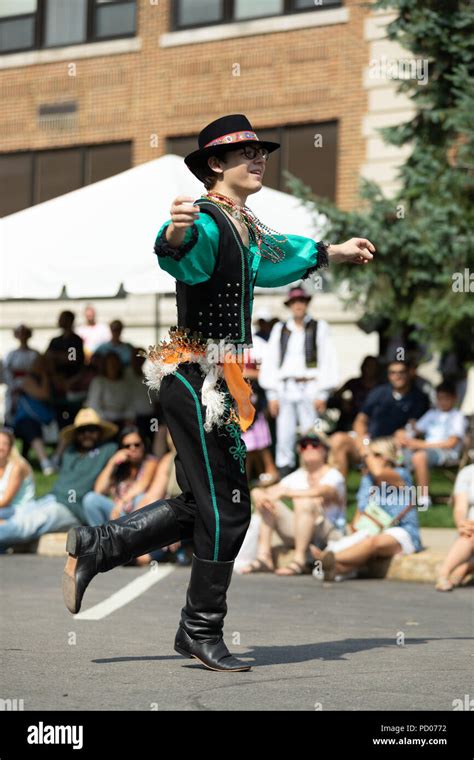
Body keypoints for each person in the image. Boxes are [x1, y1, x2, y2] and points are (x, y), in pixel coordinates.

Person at [61, 113, 375, 672]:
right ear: (215, 165)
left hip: (218, 380)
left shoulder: (245, 223)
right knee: (229, 511)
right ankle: (200, 628)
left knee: (203, 503)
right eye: (245, 153)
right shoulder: (207, 219)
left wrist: (333, 252)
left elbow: (276, 259)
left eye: (262, 153)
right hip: (194, 377)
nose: (259, 160)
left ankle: (99, 546)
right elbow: (183, 252)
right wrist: (175, 232)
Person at [0, 409, 117, 551]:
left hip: (72, 508)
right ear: (76, 434)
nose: (87, 434)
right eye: (82, 430)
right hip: (51, 498)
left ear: (100, 432)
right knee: (18, 512)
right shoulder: (70, 452)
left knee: (28, 524)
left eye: (92, 430)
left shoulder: (108, 450)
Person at [312, 438, 422, 581]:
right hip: (372, 531)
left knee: (372, 543)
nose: (370, 460)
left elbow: (379, 473)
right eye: (368, 457)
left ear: (388, 457)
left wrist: (365, 452)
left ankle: (327, 558)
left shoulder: (400, 474)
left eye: (376, 455)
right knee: (361, 545)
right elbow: (360, 513)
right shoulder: (367, 480)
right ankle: (335, 567)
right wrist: (355, 531)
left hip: (402, 531)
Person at [259, 286, 339, 478]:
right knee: (284, 432)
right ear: (289, 305)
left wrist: (323, 393)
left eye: (301, 301)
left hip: (311, 384)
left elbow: (329, 359)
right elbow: (271, 360)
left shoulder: (319, 327)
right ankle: (285, 470)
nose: (298, 306)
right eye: (294, 302)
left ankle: (312, 468)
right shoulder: (281, 329)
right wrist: (272, 395)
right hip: (286, 385)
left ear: (306, 303)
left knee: (311, 430)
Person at [240, 431, 346, 576]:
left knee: (304, 502)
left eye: (314, 444)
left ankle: (299, 560)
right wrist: (257, 493)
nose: (308, 448)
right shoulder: (297, 476)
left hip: (329, 533)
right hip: (302, 530)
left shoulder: (334, 475)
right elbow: (269, 491)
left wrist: (288, 493)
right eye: (303, 445)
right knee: (269, 503)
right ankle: (264, 557)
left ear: (325, 450)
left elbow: (323, 491)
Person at [330, 358, 431, 477]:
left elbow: (413, 427)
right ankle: (337, 491)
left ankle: (413, 493)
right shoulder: (378, 392)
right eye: (392, 373)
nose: (397, 376)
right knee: (338, 439)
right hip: (369, 442)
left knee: (383, 456)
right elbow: (360, 420)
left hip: (394, 447)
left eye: (401, 372)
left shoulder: (419, 398)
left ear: (409, 373)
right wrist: (363, 441)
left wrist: (404, 434)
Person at [396, 381, 466, 505]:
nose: (442, 402)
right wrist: (404, 436)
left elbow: (451, 443)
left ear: (454, 398)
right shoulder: (432, 414)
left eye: (445, 398)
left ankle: (423, 497)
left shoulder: (457, 417)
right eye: (439, 398)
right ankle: (398, 494)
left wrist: (420, 445)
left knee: (419, 456)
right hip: (426, 449)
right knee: (398, 455)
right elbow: (414, 430)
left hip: (446, 453)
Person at [82, 426, 158, 526]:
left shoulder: (150, 461)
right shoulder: (119, 466)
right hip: (118, 514)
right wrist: (112, 463)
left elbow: (142, 485)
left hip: (138, 514)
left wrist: (121, 503)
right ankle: (101, 539)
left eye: (137, 445)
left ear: (143, 445)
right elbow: (98, 490)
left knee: (140, 498)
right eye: (127, 446)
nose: (132, 448)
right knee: (90, 498)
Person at [12, 353, 56, 475]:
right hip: (25, 421)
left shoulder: (52, 379)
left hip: (48, 419)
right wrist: (45, 376)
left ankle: (56, 458)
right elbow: (44, 395)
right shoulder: (27, 380)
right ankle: (45, 462)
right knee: (31, 427)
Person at [435, 463, 474, 591]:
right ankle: (444, 573)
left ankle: (467, 567)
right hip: (471, 528)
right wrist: (462, 524)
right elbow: (460, 507)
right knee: (469, 533)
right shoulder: (468, 472)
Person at [329, 356, 382, 432]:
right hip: (351, 421)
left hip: (373, 422)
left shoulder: (382, 387)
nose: (368, 369)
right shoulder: (353, 383)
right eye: (367, 366)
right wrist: (343, 401)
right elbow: (335, 395)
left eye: (372, 366)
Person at [1, 324, 39, 427]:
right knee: (10, 415)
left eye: (24, 333)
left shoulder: (34, 354)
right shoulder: (10, 354)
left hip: (29, 391)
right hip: (13, 390)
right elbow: (6, 372)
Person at [86, 351, 135, 427]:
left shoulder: (125, 384)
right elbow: (93, 405)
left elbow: (130, 405)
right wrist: (105, 420)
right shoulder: (98, 382)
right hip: (102, 423)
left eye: (115, 363)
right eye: (110, 363)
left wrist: (129, 418)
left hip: (122, 423)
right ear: (105, 365)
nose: (113, 366)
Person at [0, 428, 35, 520]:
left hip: (19, 511)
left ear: (11, 447)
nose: (1, 447)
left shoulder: (18, 466)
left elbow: (6, 501)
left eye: (5, 444)